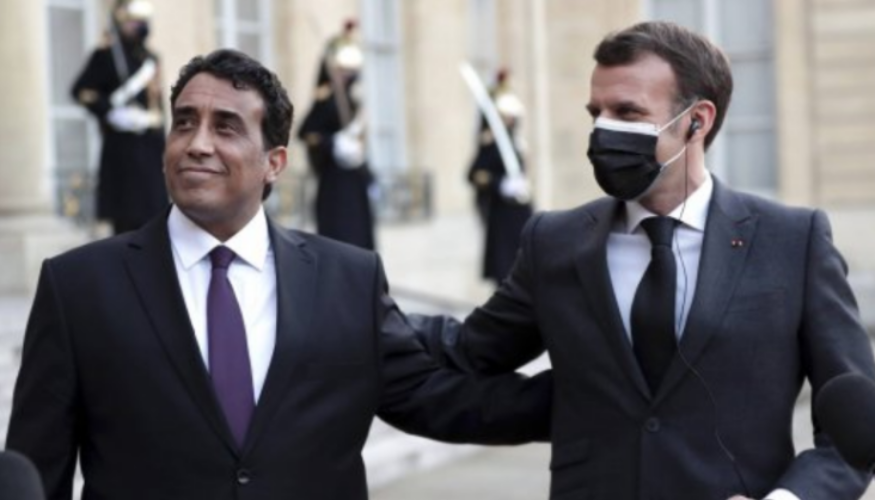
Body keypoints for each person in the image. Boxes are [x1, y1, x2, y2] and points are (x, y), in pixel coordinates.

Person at [5, 49, 550, 500]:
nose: (197, 143)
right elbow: (34, 471)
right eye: (184, 123)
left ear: (275, 163)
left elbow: (440, 400)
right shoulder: (78, 287)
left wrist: (586, 394)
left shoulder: (348, 280)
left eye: (226, 127)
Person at [418, 21, 875, 499]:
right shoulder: (553, 241)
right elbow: (467, 349)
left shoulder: (794, 241)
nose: (603, 130)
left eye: (627, 112)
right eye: (596, 113)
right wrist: (371, 304)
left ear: (698, 121)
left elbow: (854, 430)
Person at [70, 0, 167, 234]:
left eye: (141, 22)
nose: (137, 26)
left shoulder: (151, 59)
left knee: (155, 217)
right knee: (126, 219)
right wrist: (110, 113)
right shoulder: (105, 56)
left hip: (150, 146)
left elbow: (158, 103)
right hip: (122, 149)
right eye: (132, 22)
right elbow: (81, 91)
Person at [297, 20, 376, 250]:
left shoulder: (353, 100)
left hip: (355, 178)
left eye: (350, 72)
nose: (347, 76)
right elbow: (307, 133)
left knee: (360, 238)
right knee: (339, 239)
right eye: (343, 71)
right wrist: (334, 143)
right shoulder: (326, 99)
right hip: (335, 181)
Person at [466, 68, 533, 284]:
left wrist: (521, 184)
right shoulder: (490, 142)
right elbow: (473, 174)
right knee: (505, 271)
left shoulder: (518, 142)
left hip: (521, 210)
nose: (510, 120)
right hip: (501, 212)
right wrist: (499, 184)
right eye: (506, 116)